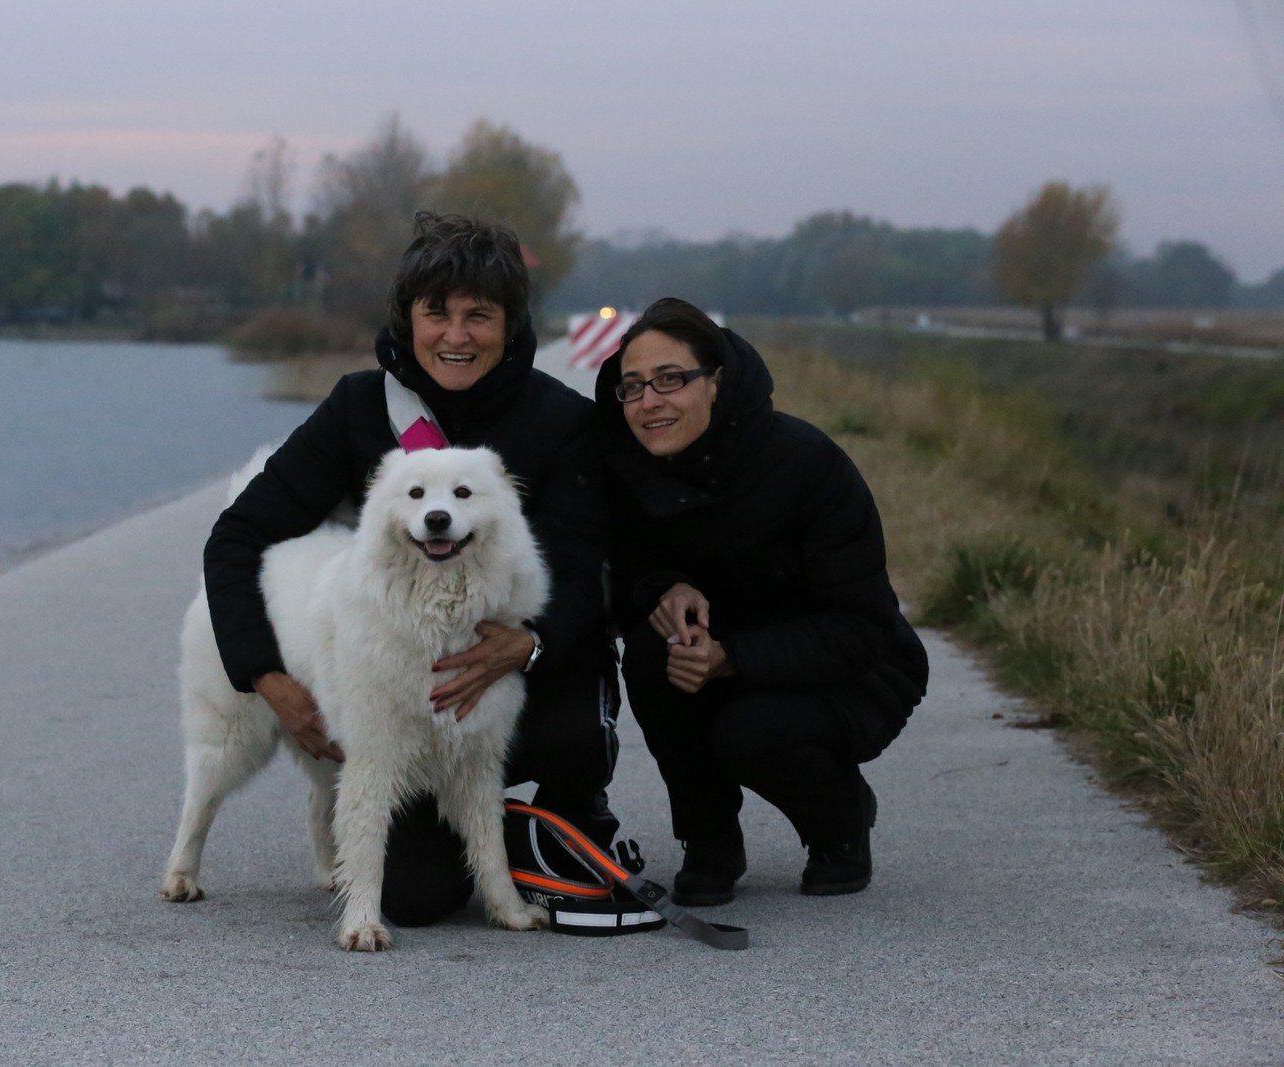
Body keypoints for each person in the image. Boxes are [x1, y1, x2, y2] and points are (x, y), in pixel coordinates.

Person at [204, 212, 620, 925]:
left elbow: (590, 568)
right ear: (408, 317)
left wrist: (531, 641)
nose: (455, 336)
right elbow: (237, 537)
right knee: (416, 899)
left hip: (529, 683)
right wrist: (267, 675)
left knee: (568, 736)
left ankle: (563, 809)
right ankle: (488, 837)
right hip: (406, 698)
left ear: (512, 322)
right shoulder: (357, 409)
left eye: (478, 316)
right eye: (437, 314)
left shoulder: (562, 421)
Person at [592, 297, 928, 904]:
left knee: (750, 733)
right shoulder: (627, 469)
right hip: (716, 655)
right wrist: (662, 588)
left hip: (854, 672)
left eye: (671, 379)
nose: (650, 401)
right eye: (633, 386)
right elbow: (619, 572)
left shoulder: (806, 463)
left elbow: (862, 626)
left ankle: (840, 824)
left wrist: (732, 658)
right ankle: (709, 839)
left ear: (716, 380)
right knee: (650, 651)